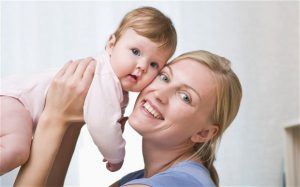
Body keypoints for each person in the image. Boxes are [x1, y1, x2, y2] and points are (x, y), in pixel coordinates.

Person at [13, 50, 242, 187]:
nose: (159, 94)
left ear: (204, 133)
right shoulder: (144, 178)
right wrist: (72, 121)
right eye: (164, 77)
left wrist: (54, 117)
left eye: (184, 97)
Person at [0, 6, 177, 175]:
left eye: (154, 64)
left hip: (16, 105)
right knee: (16, 151)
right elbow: (101, 125)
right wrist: (116, 155)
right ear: (111, 44)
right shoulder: (105, 77)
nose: (142, 66)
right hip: (14, 100)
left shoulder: (113, 85)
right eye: (136, 51)